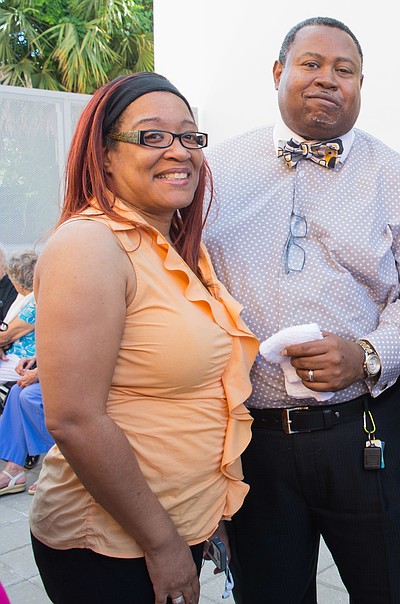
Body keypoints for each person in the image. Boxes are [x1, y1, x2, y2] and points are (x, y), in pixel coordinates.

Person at [204, 16, 400, 603]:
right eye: (311, 64)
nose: (327, 79)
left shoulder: (399, 178)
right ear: (278, 72)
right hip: (252, 442)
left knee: (394, 591)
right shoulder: (213, 175)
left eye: (345, 70)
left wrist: (366, 355)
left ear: (361, 84)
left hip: (369, 433)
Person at [29, 72, 258, 604]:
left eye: (189, 136)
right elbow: (74, 418)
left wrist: (207, 516)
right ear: (105, 155)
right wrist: (163, 544)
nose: (179, 151)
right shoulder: (90, 246)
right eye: (153, 136)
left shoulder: (173, 245)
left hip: (175, 527)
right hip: (112, 546)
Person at [0, 356, 48, 496]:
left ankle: (55, 465)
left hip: (82, 371)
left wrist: (41, 371)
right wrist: (36, 359)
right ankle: (13, 469)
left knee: (29, 396)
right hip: (56, 365)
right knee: (17, 391)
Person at [0, 251, 37, 382]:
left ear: (18, 284)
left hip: (23, 361)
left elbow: (6, 336)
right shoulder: (25, 299)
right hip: (13, 356)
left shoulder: (34, 304)